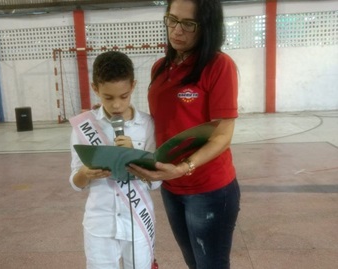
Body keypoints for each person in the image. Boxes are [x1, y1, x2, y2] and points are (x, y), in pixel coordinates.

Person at [127, 0, 240, 268]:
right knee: (192, 261)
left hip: (209, 188)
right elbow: (159, 121)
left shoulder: (219, 66)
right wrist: (110, 112)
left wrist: (184, 168)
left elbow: (223, 136)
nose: (177, 30)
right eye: (172, 19)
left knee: (210, 263)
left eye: (188, 24)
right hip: (171, 186)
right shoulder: (159, 68)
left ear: (207, 27)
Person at [69, 51, 160, 269]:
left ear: (133, 86)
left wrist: (135, 158)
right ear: (95, 89)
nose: (117, 105)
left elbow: (156, 181)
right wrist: (85, 174)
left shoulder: (147, 125)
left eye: (124, 96)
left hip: (137, 220)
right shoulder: (84, 126)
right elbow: (75, 182)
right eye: (108, 98)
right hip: (99, 222)